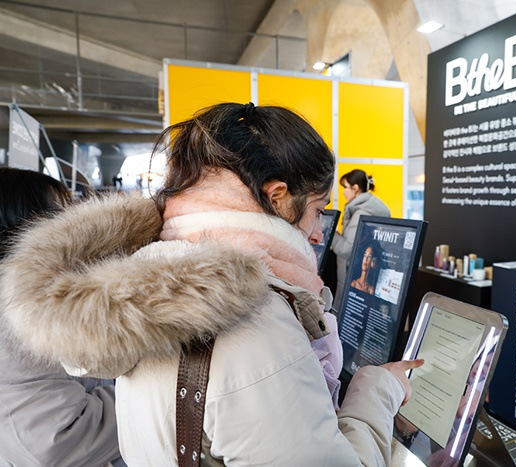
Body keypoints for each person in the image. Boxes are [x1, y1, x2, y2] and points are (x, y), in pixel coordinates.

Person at [0, 103, 423, 465]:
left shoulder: (144, 287)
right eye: (317, 209)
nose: (318, 232)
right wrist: (376, 390)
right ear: (277, 196)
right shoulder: (256, 323)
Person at [0, 167, 123, 466]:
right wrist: (156, 392)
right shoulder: (17, 300)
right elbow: (55, 439)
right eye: (59, 214)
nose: (75, 223)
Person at [332, 169, 390, 308]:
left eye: (345, 187)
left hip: (353, 275)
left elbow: (347, 249)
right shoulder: (368, 210)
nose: (343, 192)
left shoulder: (360, 214)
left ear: (355, 188)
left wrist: (331, 233)